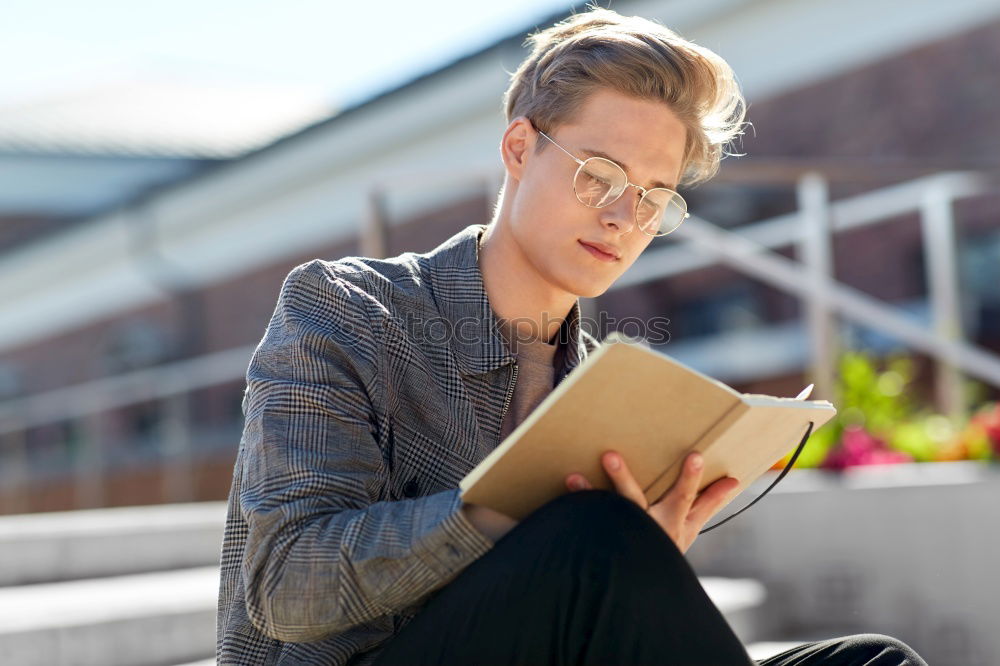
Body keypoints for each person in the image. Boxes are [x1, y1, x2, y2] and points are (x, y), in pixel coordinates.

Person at [217, 6, 928, 665]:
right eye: (600, 176)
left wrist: (649, 554)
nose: (625, 217)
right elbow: (288, 587)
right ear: (520, 148)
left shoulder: (602, 386)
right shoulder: (348, 309)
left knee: (872, 660)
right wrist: (519, 510)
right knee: (591, 530)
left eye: (654, 198)